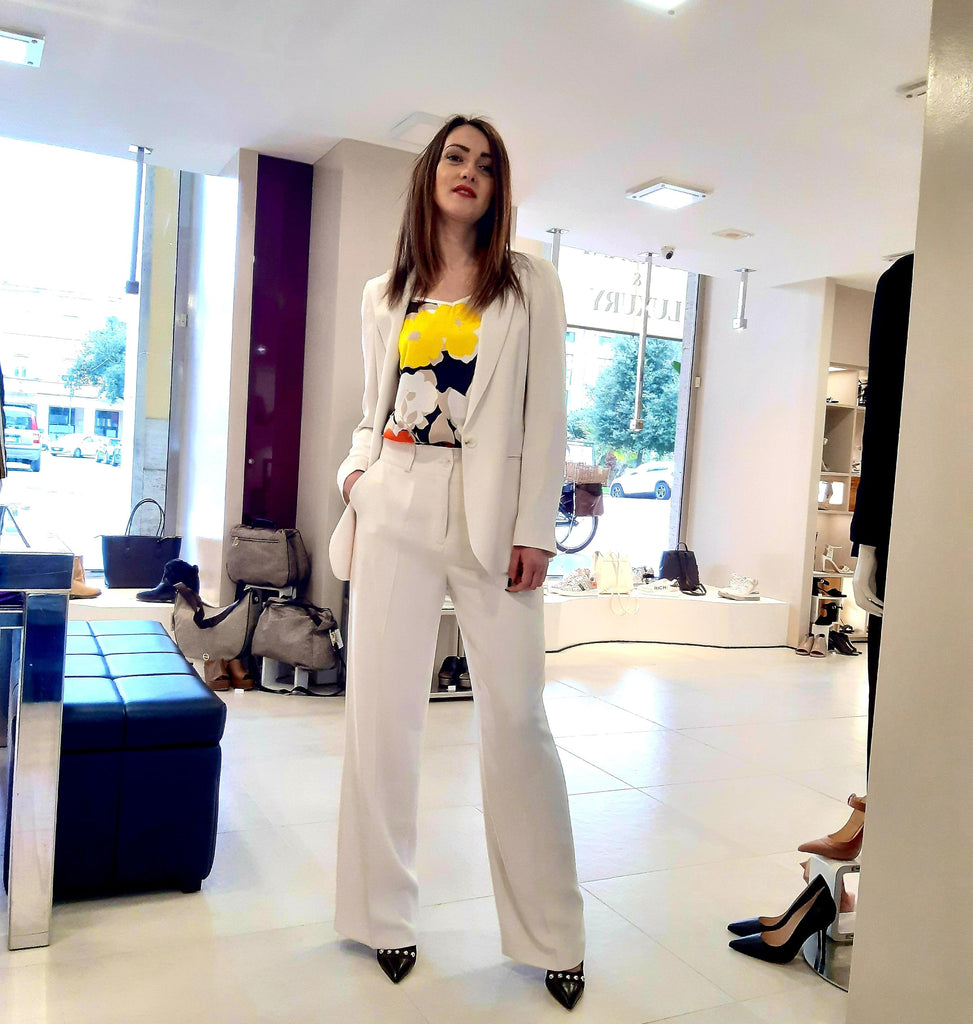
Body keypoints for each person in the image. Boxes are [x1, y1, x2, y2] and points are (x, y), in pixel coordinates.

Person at [330, 115, 586, 1010]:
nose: (468, 171)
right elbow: (371, 408)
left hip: (491, 516)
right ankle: (380, 917)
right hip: (394, 497)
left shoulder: (529, 283)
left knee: (515, 718)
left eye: (485, 163)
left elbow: (545, 414)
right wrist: (356, 477)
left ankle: (552, 933)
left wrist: (535, 527)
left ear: (498, 186)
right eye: (454, 157)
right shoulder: (384, 293)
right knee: (380, 716)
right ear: (430, 174)